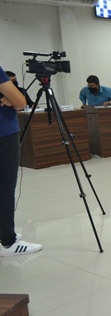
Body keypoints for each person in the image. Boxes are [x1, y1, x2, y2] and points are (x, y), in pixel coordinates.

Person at [0, 66, 42, 257]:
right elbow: (20, 102)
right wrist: (12, 98)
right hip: (3, 134)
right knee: (5, 188)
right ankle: (8, 242)